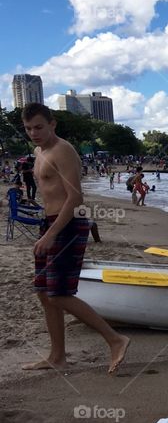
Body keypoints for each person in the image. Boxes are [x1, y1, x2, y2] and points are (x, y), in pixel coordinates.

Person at [19, 103, 130, 374]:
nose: (34, 133)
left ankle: (115, 339)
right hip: (49, 223)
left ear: (52, 124)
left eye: (39, 127)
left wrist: (53, 233)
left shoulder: (63, 150)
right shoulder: (39, 151)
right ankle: (57, 357)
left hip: (68, 224)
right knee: (45, 294)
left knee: (59, 295)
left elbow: (75, 197)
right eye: (28, 128)